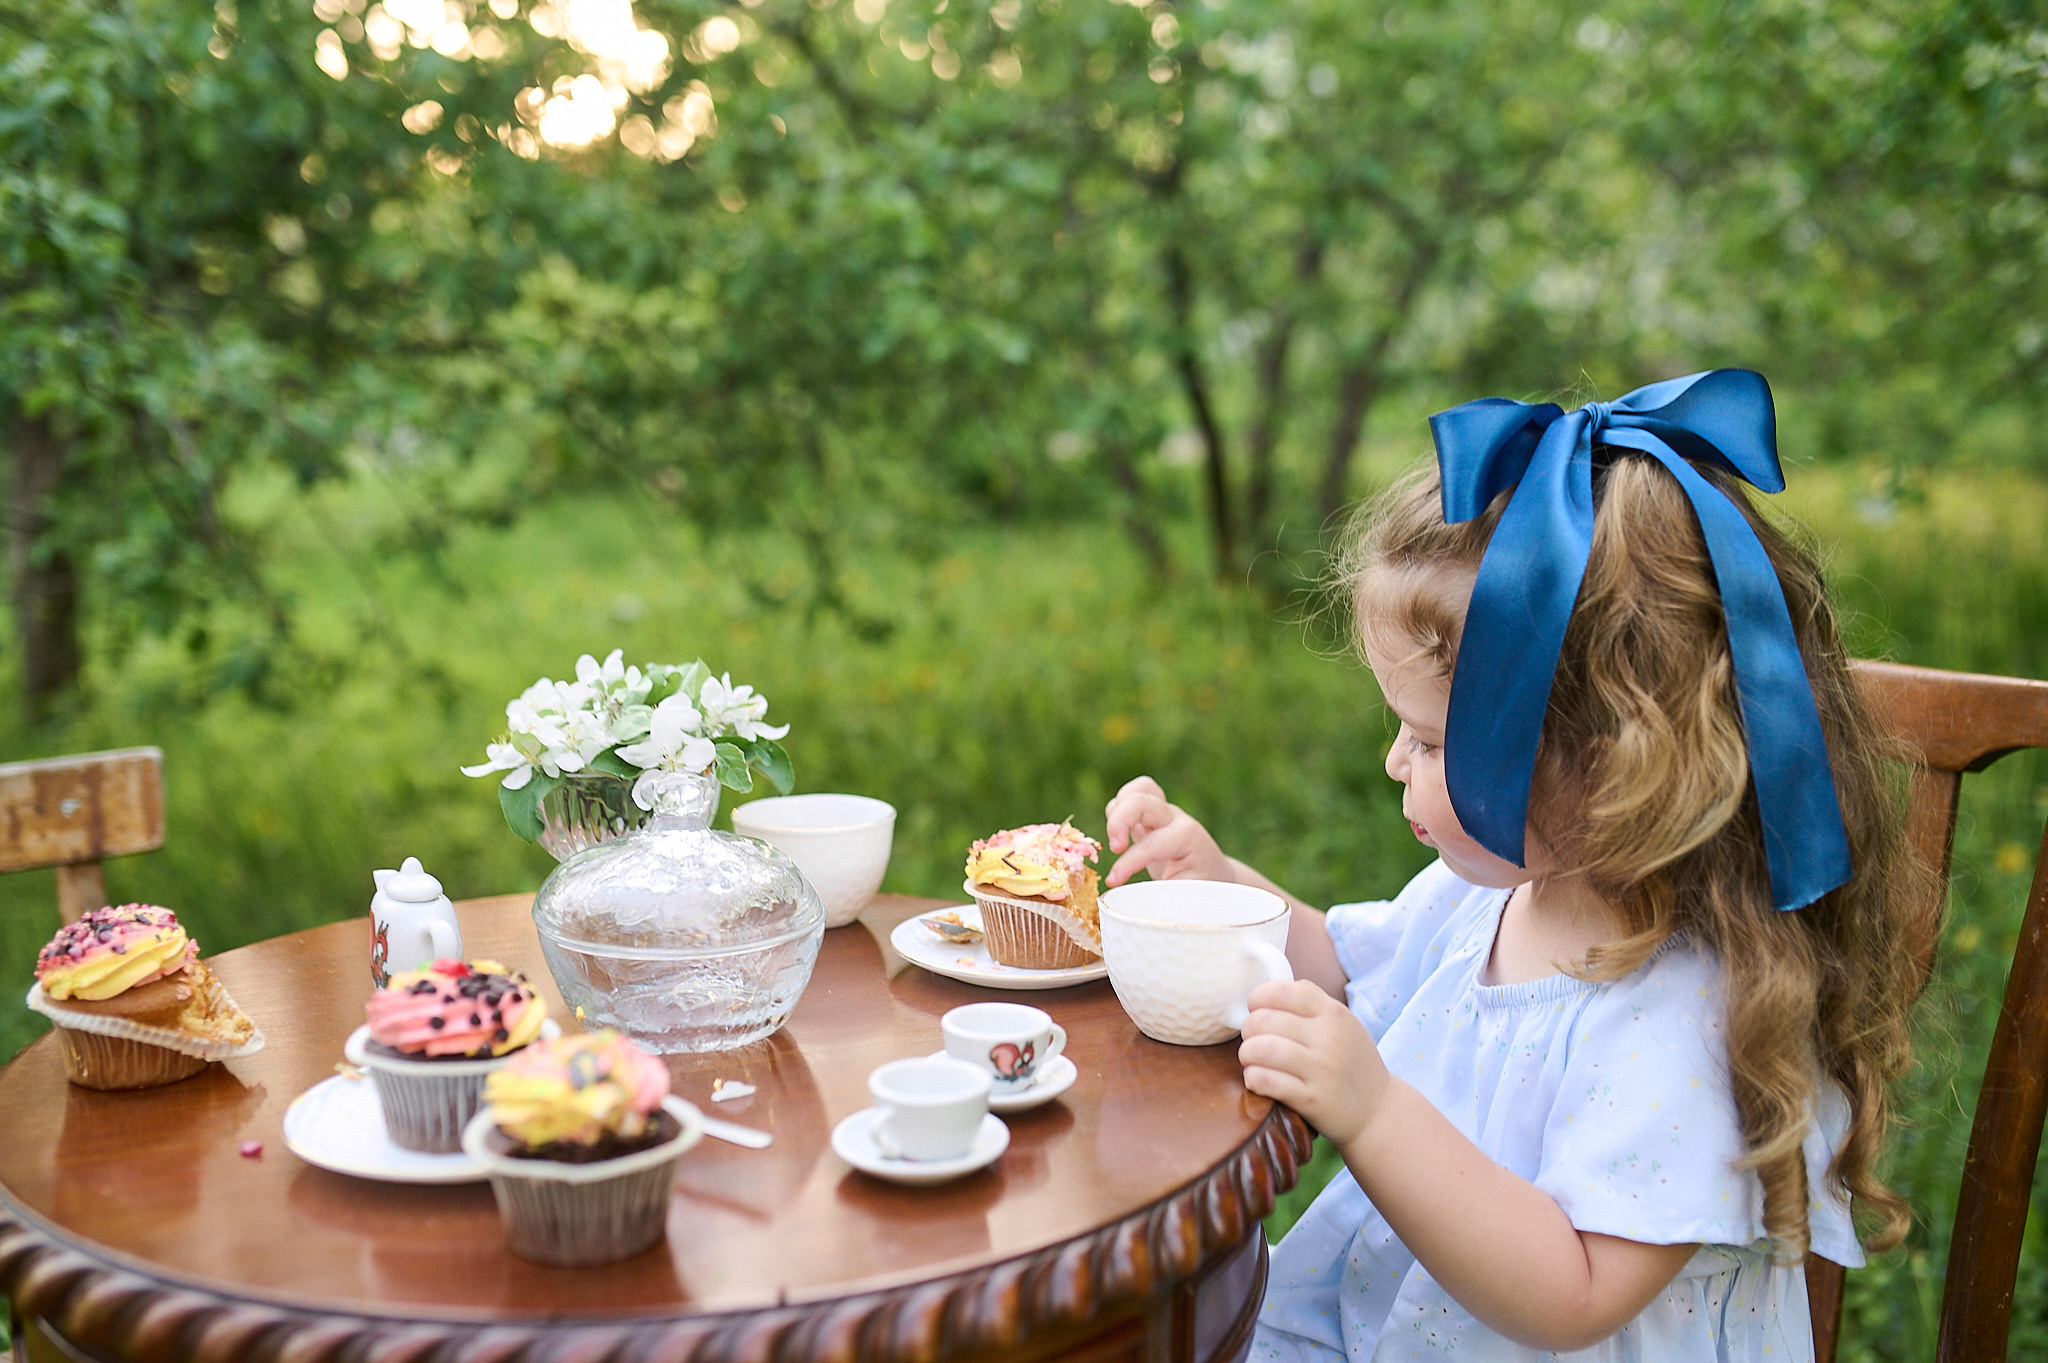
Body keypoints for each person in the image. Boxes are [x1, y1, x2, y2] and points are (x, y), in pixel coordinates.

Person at [1103, 371, 1927, 1361]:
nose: (1392, 763)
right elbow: (1339, 966)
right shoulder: (1482, 897)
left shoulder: (1683, 1012)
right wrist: (1214, 880)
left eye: (1430, 741)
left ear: (1616, 762)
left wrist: (1368, 1108)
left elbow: (1572, 1296)